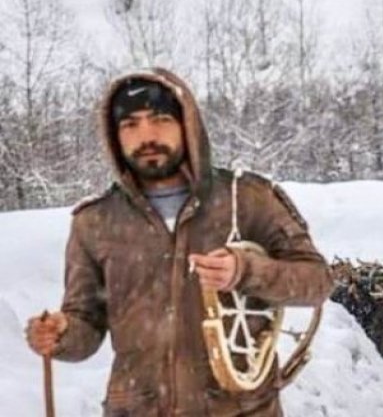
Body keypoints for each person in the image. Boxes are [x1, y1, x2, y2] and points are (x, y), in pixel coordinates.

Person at [24, 67, 333, 416]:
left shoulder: (244, 199)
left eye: (160, 119)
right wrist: (61, 334)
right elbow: (87, 324)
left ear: (187, 123)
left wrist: (244, 272)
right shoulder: (95, 222)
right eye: (131, 125)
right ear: (115, 136)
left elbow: (317, 281)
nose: (147, 135)